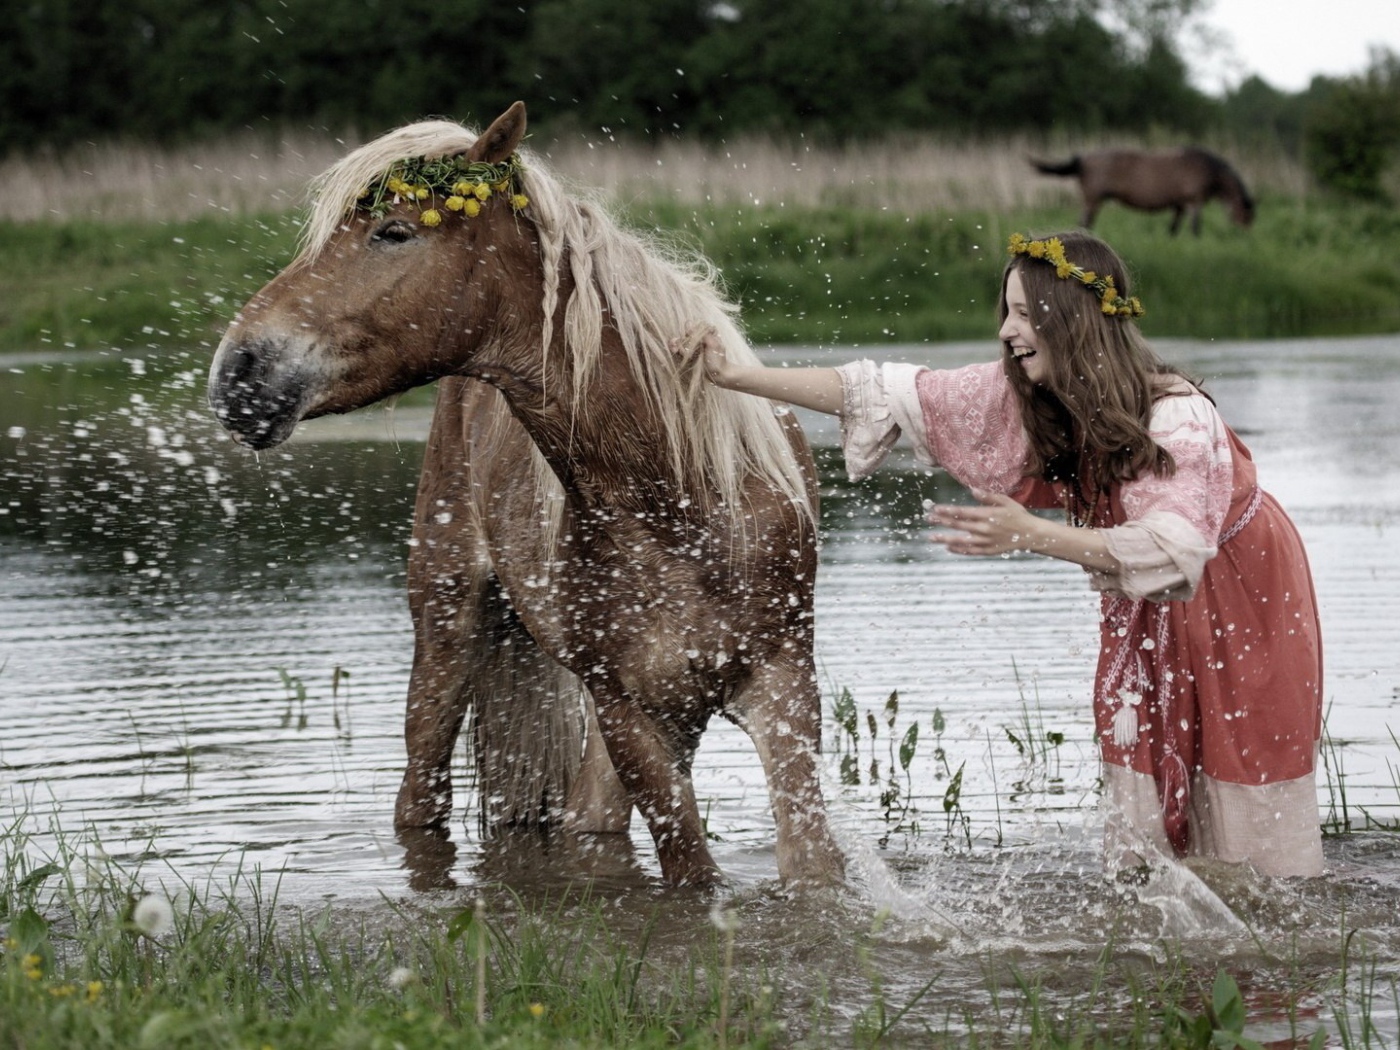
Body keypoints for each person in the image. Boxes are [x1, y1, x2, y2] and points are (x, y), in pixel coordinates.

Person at [677, 229, 1324, 878]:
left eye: (1024, 314)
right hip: (1140, 596)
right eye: (1006, 312)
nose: (1007, 332)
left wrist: (1031, 534)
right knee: (1139, 769)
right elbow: (878, 390)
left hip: (1240, 588)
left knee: (1241, 778)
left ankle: (1266, 925)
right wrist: (735, 376)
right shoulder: (1027, 392)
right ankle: (1158, 907)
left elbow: (1174, 554)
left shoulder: (1176, 418)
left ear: (1069, 322)